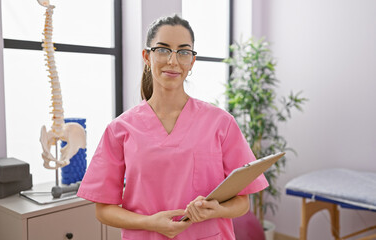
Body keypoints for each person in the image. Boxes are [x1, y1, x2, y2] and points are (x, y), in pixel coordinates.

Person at [77, 14, 268, 240]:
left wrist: (217, 210)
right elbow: (104, 209)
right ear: (146, 57)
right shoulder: (120, 129)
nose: (173, 61)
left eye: (183, 52)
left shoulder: (221, 123)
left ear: (192, 61)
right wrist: (150, 223)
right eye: (163, 49)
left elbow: (241, 203)